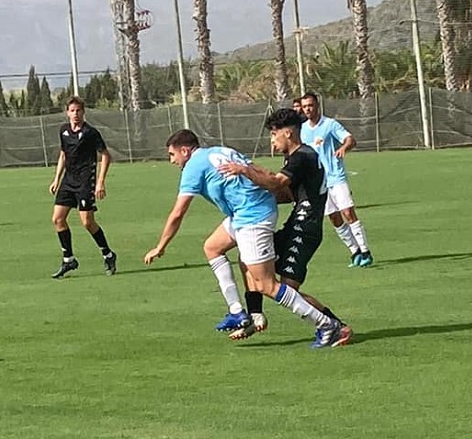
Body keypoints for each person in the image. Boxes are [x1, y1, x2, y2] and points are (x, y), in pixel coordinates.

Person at [144, 129, 344, 348]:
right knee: (212, 247)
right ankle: (239, 313)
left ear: (185, 150)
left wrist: (160, 246)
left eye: (172, 155)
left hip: (252, 217)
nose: (172, 161)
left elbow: (178, 212)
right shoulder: (221, 150)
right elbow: (255, 169)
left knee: (267, 285)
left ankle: (326, 324)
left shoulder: (193, 166)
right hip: (246, 212)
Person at [218, 108, 352, 346]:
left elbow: (277, 183)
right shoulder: (297, 157)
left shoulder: (302, 156)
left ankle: (335, 326)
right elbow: (287, 193)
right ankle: (255, 316)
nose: (272, 140)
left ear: (288, 133)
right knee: (249, 260)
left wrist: (245, 171)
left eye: (274, 134)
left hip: (305, 231)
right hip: (296, 225)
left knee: (288, 291)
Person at [300, 92, 373, 268]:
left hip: (336, 176)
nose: (308, 109)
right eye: (305, 106)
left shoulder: (330, 124)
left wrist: (343, 148)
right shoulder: (302, 130)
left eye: (310, 105)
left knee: (347, 212)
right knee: (333, 217)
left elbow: (350, 139)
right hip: (318, 182)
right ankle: (354, 251)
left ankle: (365, 251)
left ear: (317, 105)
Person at [50, 97, 117, 279]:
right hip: (68, 181)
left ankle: (108, 254)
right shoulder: (63, 131)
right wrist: (56, 179)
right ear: (67, 112)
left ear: (83, 112)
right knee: (57, 219)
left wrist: (100, 182)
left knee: (87, 222)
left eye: (78, 111)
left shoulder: (90, 133)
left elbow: (106, 156)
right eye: (72, 111)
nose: (75, 114)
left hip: (85, 182)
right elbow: (63, 154)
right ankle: (68, 259)